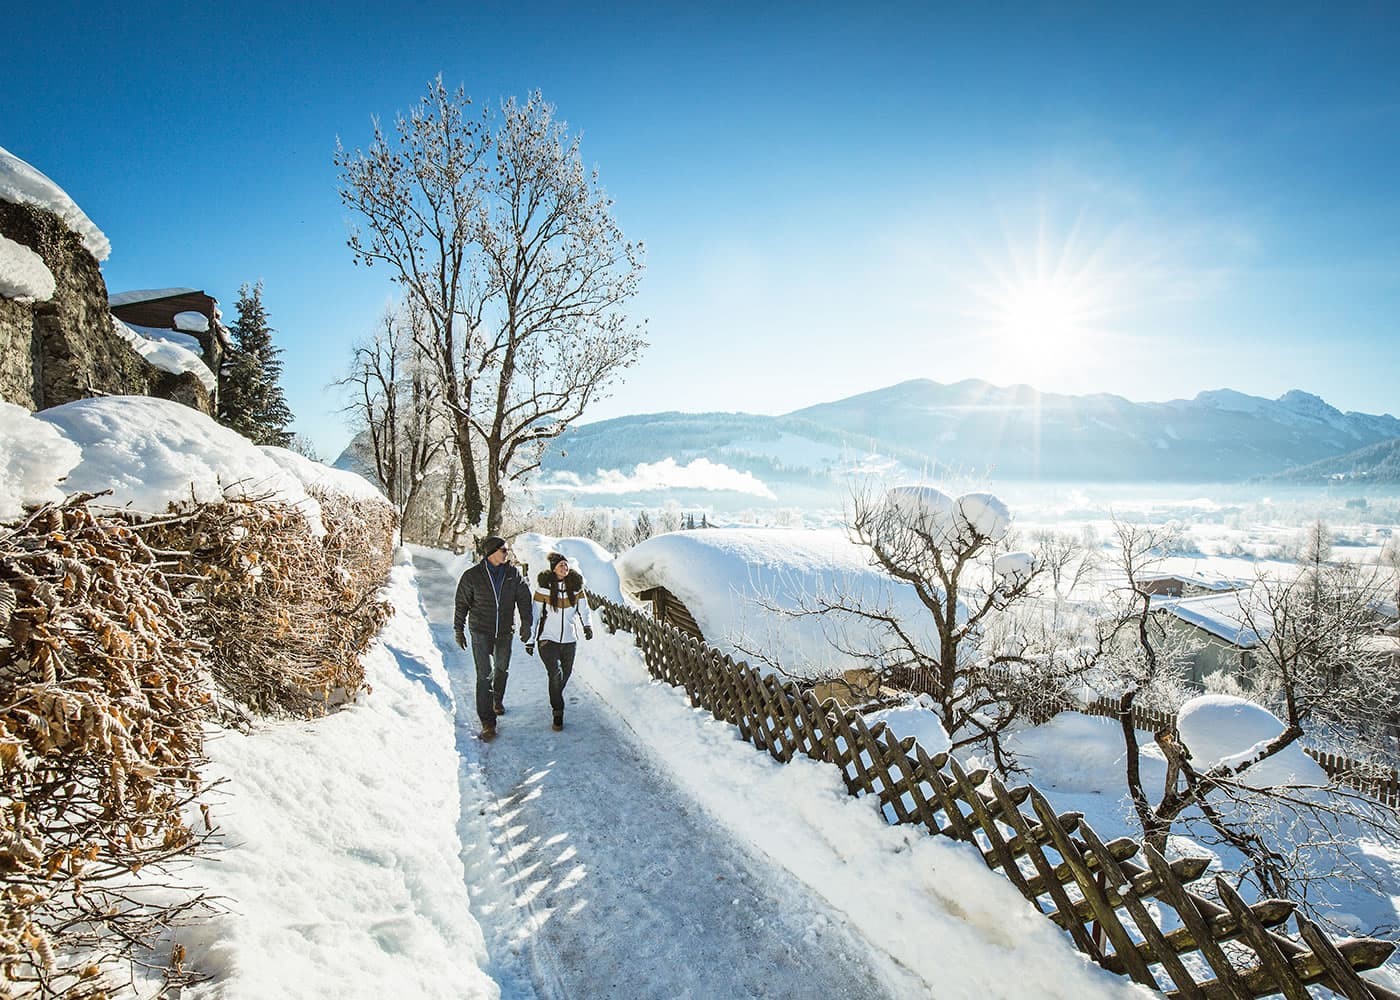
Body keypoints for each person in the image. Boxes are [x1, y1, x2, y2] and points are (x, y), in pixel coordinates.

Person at [454, 536, 532, 738]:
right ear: (491, 552)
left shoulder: (512, 574)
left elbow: (524, 599)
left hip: (505, 631)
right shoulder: (473, 576)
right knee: (484, 675)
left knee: (501, 669)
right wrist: (458, 629)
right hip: (480, 630)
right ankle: (488, 722)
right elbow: (461, 603)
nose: (508, 553)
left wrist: (526, 623)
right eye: (504, 550)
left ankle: (496, 700)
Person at [529, 551, 593, 731]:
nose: (564, 568)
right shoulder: (543, 589)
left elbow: (584, 609)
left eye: (566, 565)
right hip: (547, 640)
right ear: (553, 569)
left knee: (565, 674)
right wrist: (530, 639)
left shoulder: (576, 588)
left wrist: (587, 626)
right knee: (555, 673)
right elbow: (534, 615)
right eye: (560, 566)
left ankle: (555, 695)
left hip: (569, 640)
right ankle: (558, 711)